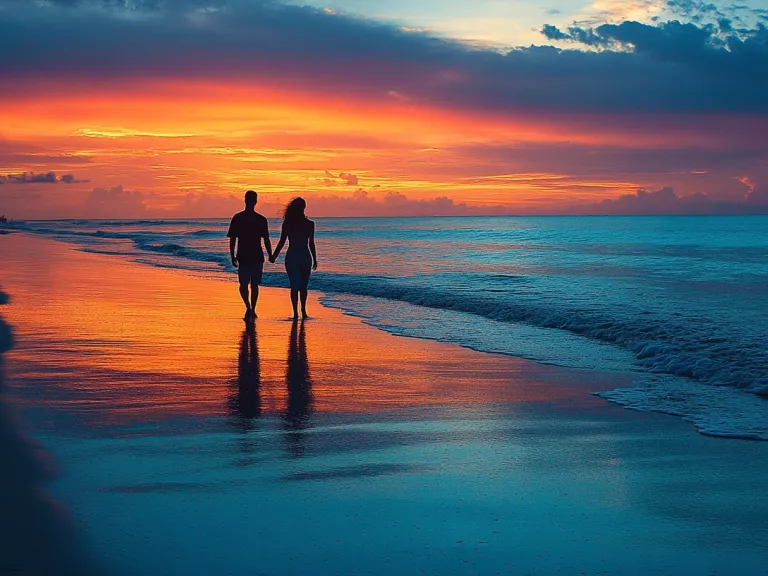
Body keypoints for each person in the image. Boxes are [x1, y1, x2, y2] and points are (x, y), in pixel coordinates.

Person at [227, 190, 272, 321]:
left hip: (251, 256)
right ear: (255, 201)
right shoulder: (242, 218)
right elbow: (233, 238)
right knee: (249, 284)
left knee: (248, 284)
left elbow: (266, 239)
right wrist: (270, 255)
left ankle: (251, 308)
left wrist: (232, 255)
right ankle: (250, 307)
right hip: (247, 256)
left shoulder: (255, 219)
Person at [269, 197, 317, 319]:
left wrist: (274, 256)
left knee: (295, 286)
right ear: (304, 208)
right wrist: (315, 259)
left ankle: (296, 312)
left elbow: (282, 242)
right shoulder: (309, 224)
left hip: (293, 257)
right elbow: (311, 243)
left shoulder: (288, 224)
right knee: (303, 287)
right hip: (305, 256)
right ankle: (302, 311)